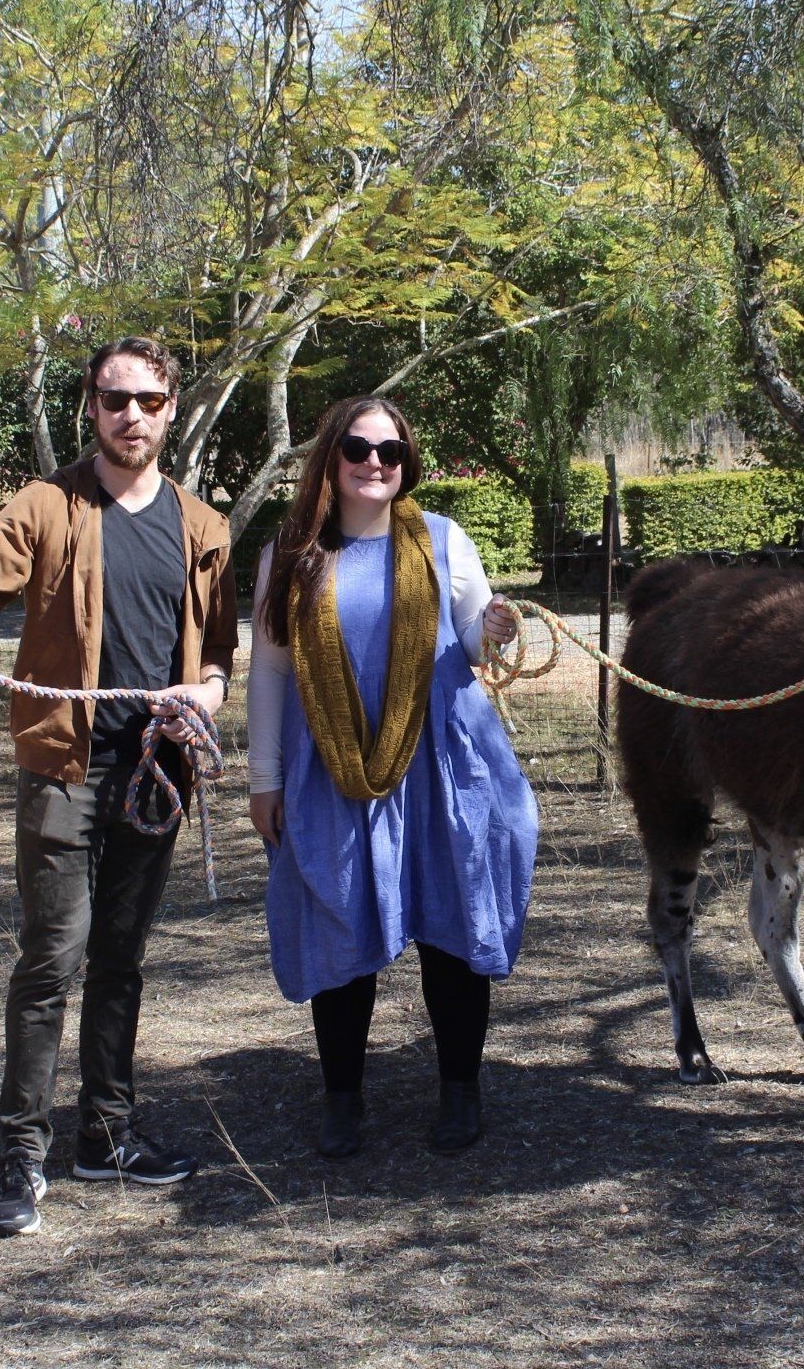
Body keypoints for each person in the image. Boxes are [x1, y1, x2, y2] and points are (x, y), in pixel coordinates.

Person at [0, 337, 236, 1238]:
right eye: (115, 399)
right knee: (51, 961)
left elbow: (218, 653)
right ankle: (21, 1155)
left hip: (156, 773)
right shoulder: (45, 508)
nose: (131, 416)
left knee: (120, 961)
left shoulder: (205, 528)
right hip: (63, 771)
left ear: (172, 409)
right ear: (91, 405)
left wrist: (209, 694)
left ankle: (105, 1135)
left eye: (149, 400)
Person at [246, 396, 537, 1159]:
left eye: (391, 451)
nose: (374, 462)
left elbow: (471, 641)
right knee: (340, 924)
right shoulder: (291, 554)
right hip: (335, 769)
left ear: (407, 462)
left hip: (439, 764)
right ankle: (342, 1100)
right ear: (330, 456)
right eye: (357, 447)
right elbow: (270, 671)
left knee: (452, 928)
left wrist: (494, 628)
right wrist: (263, 778)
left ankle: (461, 1092)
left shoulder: (442, 539)